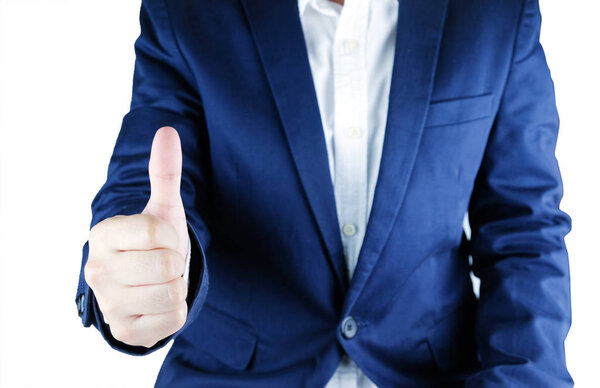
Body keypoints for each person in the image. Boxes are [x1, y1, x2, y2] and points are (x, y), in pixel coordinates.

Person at [74, 0, 574, 386]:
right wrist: (140, 263)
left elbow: (524, 229)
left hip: (432, 372)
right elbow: (149, 180)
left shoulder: (498, 11)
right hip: (236, 372)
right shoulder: (188, 9)